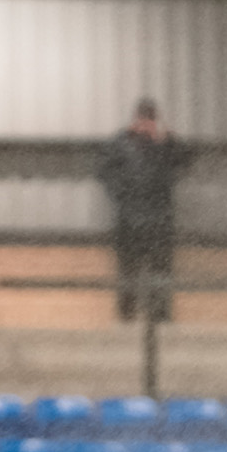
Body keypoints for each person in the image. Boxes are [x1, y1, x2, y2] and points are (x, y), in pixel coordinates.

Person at [95, 99, 190, 320]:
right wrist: (120, 194)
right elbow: (103, 170)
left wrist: (170, 140)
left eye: (150, 120)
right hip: (128, 220)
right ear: (136, 120)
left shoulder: (164, 144)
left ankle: (160, 315)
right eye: (143, 120)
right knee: (128, 270)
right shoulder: (121, 142)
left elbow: (186, 160)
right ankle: (126, 315)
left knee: (161, 270)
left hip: (159, 220)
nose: (146, 125)